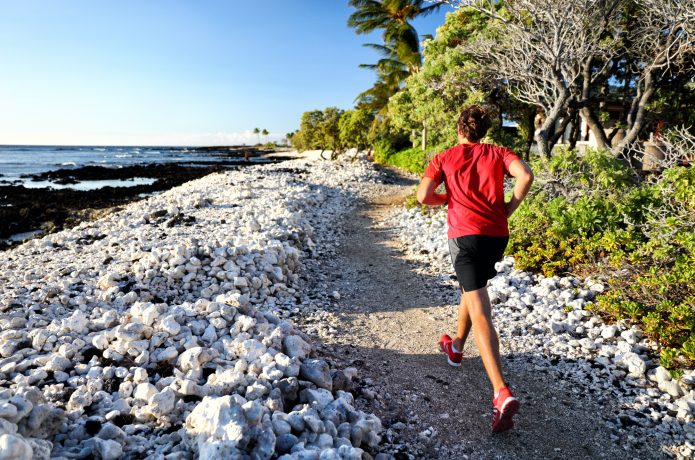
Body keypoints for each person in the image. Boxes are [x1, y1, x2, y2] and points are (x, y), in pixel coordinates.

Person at [416, 105, 534, 433]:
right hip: (496, 235)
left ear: (459, 129)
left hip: (464, 236)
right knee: (472, 288)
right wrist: (509, 206)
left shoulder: (444, 157)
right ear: (484, 131)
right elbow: (525, 176)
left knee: (481, 308)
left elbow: (423, 195)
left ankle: (500, 392)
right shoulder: (499, 152)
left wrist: (449, 198)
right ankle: (455, 347)